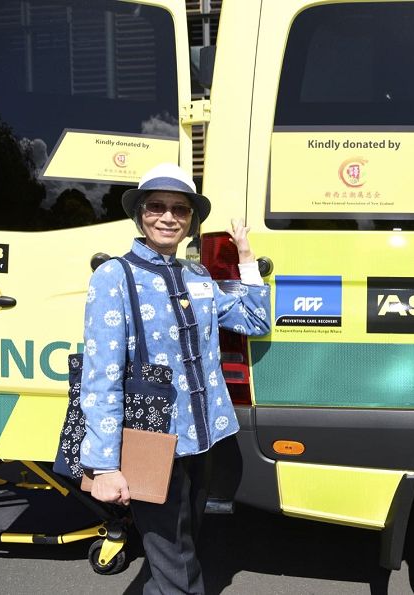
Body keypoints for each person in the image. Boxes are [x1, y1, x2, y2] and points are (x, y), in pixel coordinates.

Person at [78, 162, 271, 593]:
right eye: (156, 206)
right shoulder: (115, 276)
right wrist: (105, 465)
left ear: (191, 221)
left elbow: (255, 321)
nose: (168, 217)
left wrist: (245, 258)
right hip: (150, 439)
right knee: (175, 560)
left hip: (202, 439)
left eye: (180, 209)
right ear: (140, 214)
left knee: (183, 543)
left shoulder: (196, 275)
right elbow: (101, 374)